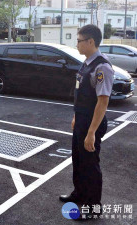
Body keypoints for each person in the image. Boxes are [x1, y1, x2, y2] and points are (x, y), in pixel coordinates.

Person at [59, 24, 114, 219]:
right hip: (81, 119)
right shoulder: (87, 62)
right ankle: (79, 194)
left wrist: (91, 132)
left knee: (90, 165)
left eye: (79, 41)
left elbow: (103, 101)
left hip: (93, 123)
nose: (77, 45)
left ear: (90, 42)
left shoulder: (102, 67)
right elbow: (82, 94)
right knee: (78, 160)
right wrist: (76, 116)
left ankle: (93, 207)